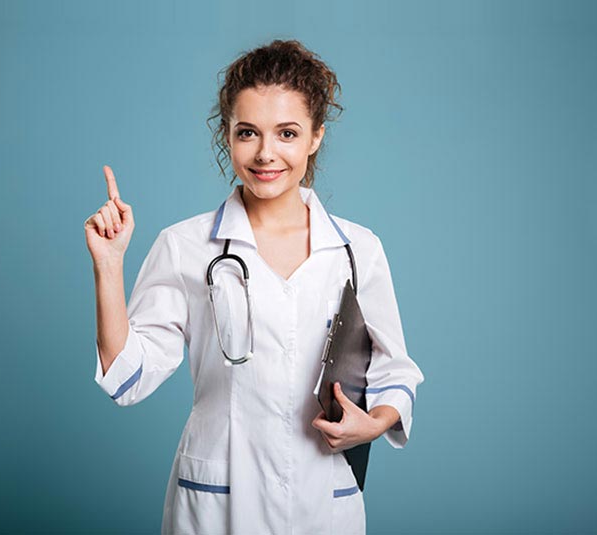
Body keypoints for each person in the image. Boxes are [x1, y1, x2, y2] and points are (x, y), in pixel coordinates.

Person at [84, 39, 424, 535]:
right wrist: (109, 265)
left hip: (324, 499)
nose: (266, 153)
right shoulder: (185, 246)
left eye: (287, 133)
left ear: (315, 137)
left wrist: (372, 423)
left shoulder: (358, 249)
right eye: (248, 133)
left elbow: (394, 370)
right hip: (217, 504)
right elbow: (126, 378)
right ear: (227, 136)